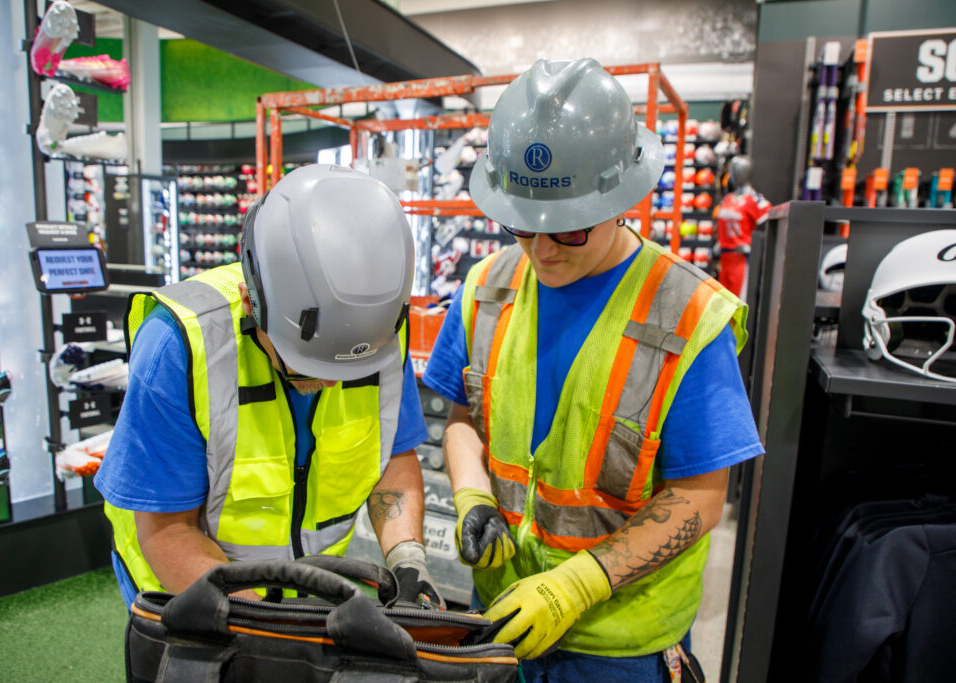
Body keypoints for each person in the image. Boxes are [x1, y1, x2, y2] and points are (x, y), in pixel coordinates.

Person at [422, 58, 763, 681]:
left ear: (624, 197)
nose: (543, 249)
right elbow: (464, 418)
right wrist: (472, 493)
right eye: (523, 225)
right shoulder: (485, 289)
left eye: (571, 230)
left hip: (619, 644)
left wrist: (581, 583)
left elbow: (701, 498)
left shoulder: (687, 315)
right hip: (497, 617)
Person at [95, 164, 443, 609]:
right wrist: (264, 629)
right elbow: (168, 530)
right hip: (185, 594)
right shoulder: (178, 344)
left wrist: (409, 559)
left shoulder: (379, 333)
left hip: (311, 596)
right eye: (304, 366)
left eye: (350, 370)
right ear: (250, 301)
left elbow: (393, 456)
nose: (329, 383)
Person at [714, 155, 771, 298]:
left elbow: (772, 223)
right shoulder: (728, 199)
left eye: (735, 170)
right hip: (724, 257)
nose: (731, 174)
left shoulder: (754, 199)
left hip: (741, 259)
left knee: (739, 300)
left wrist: (752, 247)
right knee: (723, 301)